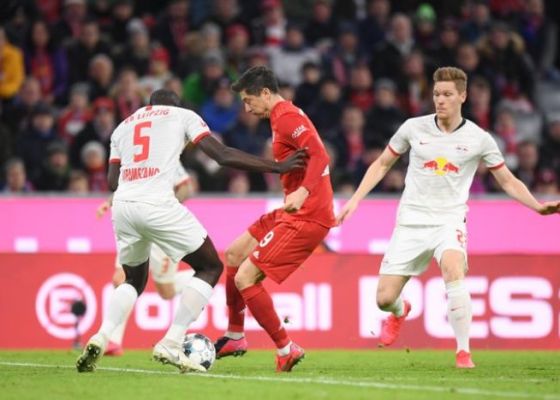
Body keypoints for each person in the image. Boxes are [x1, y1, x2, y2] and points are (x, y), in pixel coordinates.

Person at [336, 67, 560, 369]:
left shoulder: (479, 139)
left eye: (447, 95)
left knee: (453, 270)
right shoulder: (413, 128)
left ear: (462, 96)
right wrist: (355, 200)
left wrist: (537, 206)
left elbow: (507, 180)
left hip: (449, 220)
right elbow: (382, 164)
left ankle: (463, 352)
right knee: (384, 298)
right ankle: (400, 311)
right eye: (436, 94)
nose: (440, 100)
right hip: (412, 220)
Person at [76, 89, 306, 373]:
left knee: (133, 279)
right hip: (157, 204)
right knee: (210, 266)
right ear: (175, 105)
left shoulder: (123, 126)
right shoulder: (182, 115)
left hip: (123, 207)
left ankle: (101, 336)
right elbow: (221, 155)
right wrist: (278, 166)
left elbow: (113, 181)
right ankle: (172, 342)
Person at [213, 66, 335, 372]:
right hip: (291, 211)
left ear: (265, 93)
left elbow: (320, 155)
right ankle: (235, 335)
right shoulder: (282, 116)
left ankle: (286, 348)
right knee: (234, 254)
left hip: (307, 215)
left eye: (248, 100)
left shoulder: (287, 117)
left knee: (245, 278)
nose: (246, 108)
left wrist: (303, 192)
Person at [96, 163, 197, 356]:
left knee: (166, 291)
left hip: (161, 229)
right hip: (134, 225)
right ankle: (113, 341)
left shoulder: (168, 158)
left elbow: (186, 187)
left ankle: (204, 277)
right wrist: (109, 202)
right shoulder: (136, 158)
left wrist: (166, 208)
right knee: (121, 278)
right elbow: (127, 185)